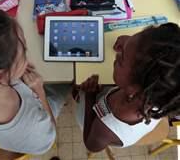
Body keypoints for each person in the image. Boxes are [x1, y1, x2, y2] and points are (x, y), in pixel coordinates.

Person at [0, 5, 70, 155]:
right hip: (38, 112)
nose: (26, 56)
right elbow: (49, 137)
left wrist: (14, 68)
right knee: (67, 85)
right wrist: (40, 91)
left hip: (21, 95)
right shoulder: (34, 128)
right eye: (23, 51)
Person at [73, 23, 180, 152]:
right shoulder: (159, 91)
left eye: (122, 58)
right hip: (106, 100)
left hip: (91, 117)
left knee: (76, 86)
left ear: (133, 88)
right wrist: (130, 45)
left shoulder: (106, 127)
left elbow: (91, 145)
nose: (117, 55)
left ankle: (78, 96)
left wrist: (90, 96)